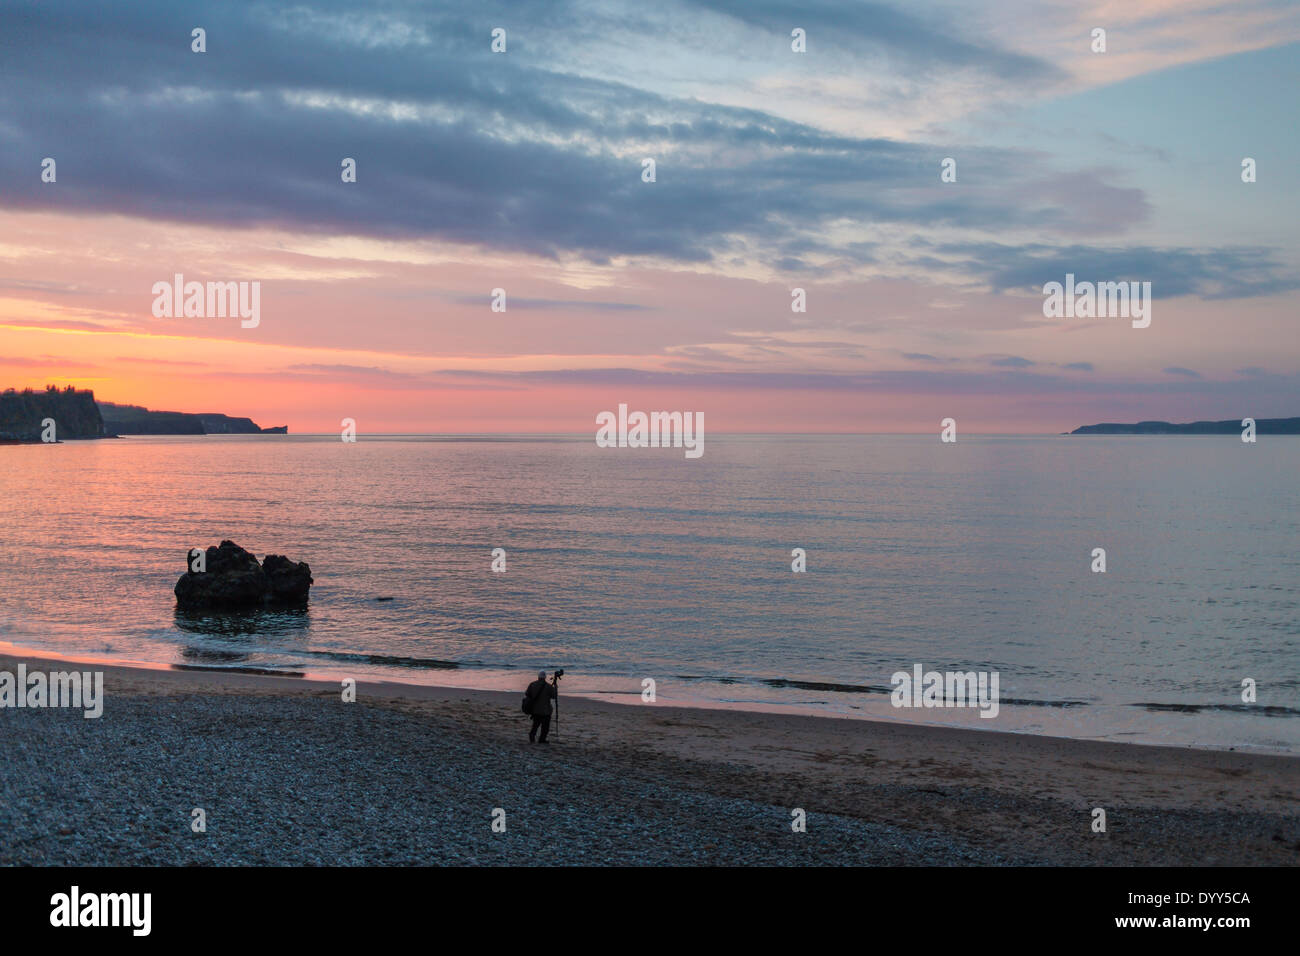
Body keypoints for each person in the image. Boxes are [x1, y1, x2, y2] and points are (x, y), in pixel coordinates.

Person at [524, 669, 557, 744]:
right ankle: (542, 739)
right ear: (545, 677)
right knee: (545, 728)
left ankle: (532, 736)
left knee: (535, 725)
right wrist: (555, 687)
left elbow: (527, 694)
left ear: (538, 677)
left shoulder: (532, 684)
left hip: (535, 710)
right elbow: (554, 696)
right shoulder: (549, 687)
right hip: (546, 711)